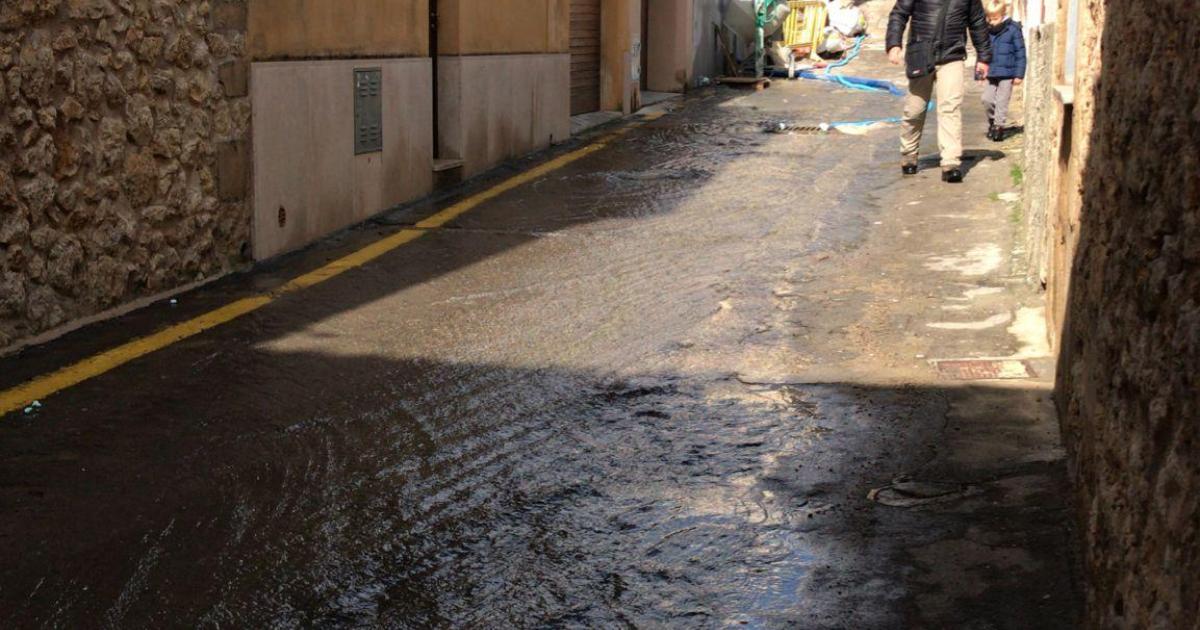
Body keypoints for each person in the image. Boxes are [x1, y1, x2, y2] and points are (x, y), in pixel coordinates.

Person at [886, 0, 993, 183]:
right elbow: (899, 14)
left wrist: (984, 57)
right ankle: (909, 154)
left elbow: (977, 22)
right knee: (915, 110)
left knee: (950, 108)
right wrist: (894, 44)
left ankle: (950, 163)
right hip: (921, 53)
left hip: (952, 55)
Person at [980, 1, 1026, 141]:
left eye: (995, 18)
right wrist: (981, 72)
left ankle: (998, 127)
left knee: (1002, 101)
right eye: (990, 19)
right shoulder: (986, 30)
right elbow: (982, 51)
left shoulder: (1013, 29)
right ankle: (993, 122)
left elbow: (1020, 52)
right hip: (991, 72)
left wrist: (1019, 74)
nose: (992, 22)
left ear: (1003, 15)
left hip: (1007, 73)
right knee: (986, 99)